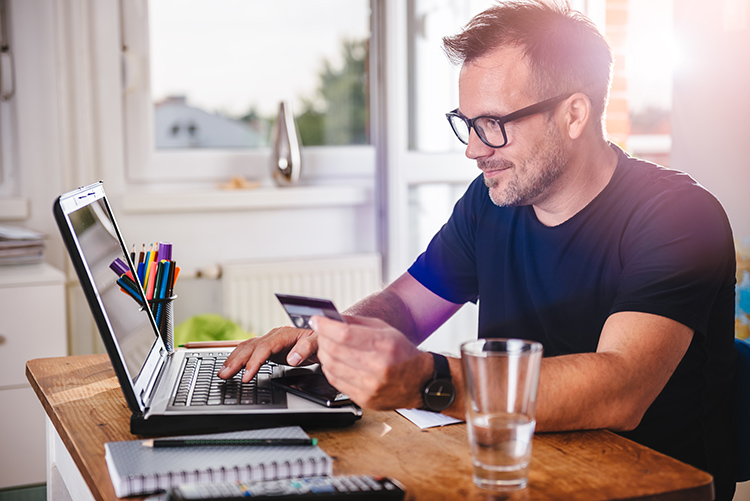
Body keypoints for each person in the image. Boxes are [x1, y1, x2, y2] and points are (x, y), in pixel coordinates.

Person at [219, 1, 737, 498]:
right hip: (517, 472)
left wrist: (430, 380)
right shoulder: (490, 203)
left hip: (643, 486)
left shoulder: (679, 216)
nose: (473, 148)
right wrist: (332, 338)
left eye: (493, 124)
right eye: (467, 123)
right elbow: (403, 307)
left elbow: (620, 389)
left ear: (574, 114)